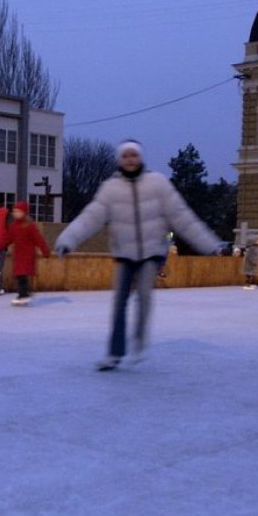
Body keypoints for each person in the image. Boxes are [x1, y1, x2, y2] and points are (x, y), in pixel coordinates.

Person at [54, 140, 222, 371]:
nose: (130, 159)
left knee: (144, 297)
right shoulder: (110, 188)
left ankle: (139, 344)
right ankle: (114, 353)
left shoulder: (158, 183)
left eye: (134, 155)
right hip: (124, 253)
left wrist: (210, 244)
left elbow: (182, 217)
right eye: (125, 156)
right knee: (119, 302)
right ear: (120, 160)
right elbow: (89, 217)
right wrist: (67, 240)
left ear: (141, 158)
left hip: (151, 253)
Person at [2, 200, 51, 306]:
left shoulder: (30, 226)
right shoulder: (14, 226)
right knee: (19, 275)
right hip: (18, 255)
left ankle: (23, 295)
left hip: (27, 255)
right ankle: (25, 293)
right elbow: (8, 238)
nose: (16, 214)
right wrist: (0, 246)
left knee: (22, 275)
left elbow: (39, 239)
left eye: (18, 212)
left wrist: (45, 251)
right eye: (15, 212)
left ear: (24, 213)